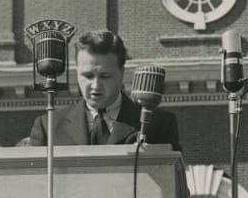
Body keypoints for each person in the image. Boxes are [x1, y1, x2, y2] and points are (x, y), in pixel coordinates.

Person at [28, 29, 182, 151]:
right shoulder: (48, 126)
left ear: (121, 73)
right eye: (88, 76)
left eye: (105, 76)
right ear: (76, 73)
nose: (95, 85)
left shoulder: (158, 124)